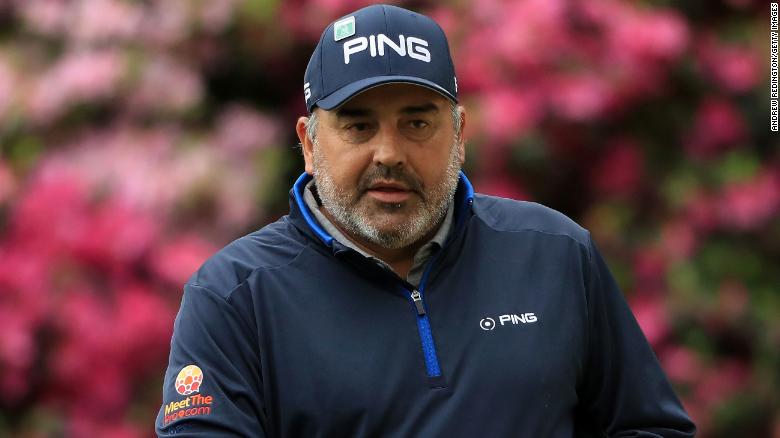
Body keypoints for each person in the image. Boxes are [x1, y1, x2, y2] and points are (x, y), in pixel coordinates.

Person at [156, 4, 696, 437]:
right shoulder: (233, 296)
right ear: (309, 144)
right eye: (358, 126)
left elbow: (649, 427)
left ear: (459, 135)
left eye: (416, 122)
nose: (389, 153)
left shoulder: (555, 253)